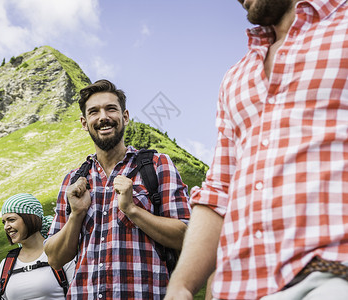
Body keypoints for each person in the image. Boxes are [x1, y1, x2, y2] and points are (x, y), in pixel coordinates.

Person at [166, 0, 348, 299]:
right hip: (241, 290)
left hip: (333, 275)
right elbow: (219, 190)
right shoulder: (236, 78)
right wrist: (181, 285)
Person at [44, 79, 191, 299]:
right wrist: (76, 215)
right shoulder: (73, 180)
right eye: (94, 112)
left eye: (111, 109)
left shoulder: (157, 165)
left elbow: (186, 235)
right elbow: (54, 258)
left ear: (125, 117)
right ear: (85, 123)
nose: (103, 117)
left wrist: (132, 210)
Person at [0, 193, 75, 300]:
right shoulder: (6, 264)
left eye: (11, 220)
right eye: (4, 222)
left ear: (30, 218)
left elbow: (79, 293)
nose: (6, 227)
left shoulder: (61, 254)